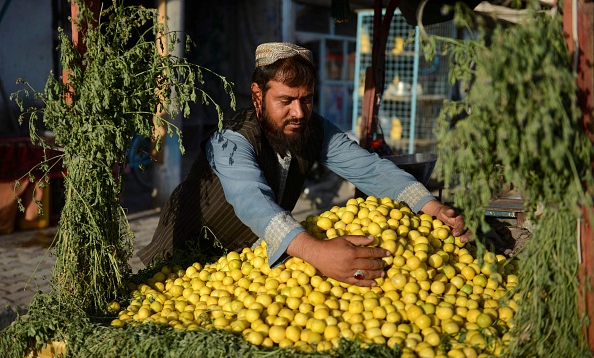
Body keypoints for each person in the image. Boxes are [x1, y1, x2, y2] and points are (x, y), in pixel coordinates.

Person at [138, 42, 470, 287]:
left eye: (307, 99)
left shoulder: (314, 129)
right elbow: (251, 199)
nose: (298, 112)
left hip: (245, 266)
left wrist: (429, 206)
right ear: (257, 95)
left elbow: (370, 169)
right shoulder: (231, 138)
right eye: (286, 101)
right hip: (182, 263)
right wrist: (317, 252)